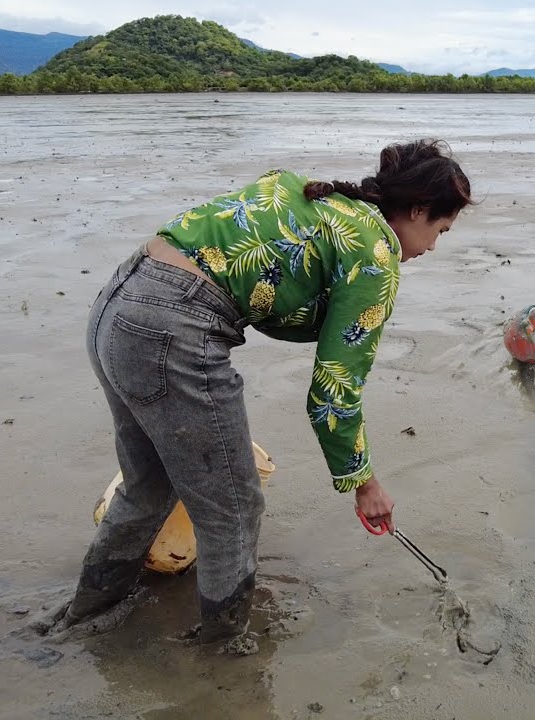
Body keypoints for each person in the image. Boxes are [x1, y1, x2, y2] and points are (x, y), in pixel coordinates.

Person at [53, 139, 474, 654]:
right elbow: (332, 394)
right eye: (439, 231)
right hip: (173, 328)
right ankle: (223, 660)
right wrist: (364, 484)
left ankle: (81, 622)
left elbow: (271, 293)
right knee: (233, 507)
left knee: (149, 487)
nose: (432, 247)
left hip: (118, 305)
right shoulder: (376, 253)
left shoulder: (318, 200)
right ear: (417, 210)